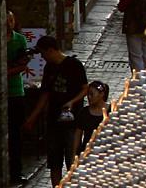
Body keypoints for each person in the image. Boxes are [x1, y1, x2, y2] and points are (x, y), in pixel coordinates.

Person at [23, 36, 88, 188]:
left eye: (43, 53)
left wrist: (72, 102)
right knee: (54, 162)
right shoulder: (49, 68)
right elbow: (45, 94)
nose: (43, 57)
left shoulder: (74, 65)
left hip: (72, 122)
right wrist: (33, 117)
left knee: (72, 160)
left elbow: (85, 88)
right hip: (53, 121)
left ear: (51, 50)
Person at [6, 13, 31, 186]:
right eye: (6, 19)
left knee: (15, 134)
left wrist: (5, 73)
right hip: (2, 92)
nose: (8, 23)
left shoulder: (20, 40)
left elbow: (23, 65)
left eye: (11, 20)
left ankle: (17, 172)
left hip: (16, 92)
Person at [74, 81, 109, 152]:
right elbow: (78, 135)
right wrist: (75, 153)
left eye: (92, 94)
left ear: (101, 94)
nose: (89, 97)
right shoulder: (84, 112)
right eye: (88, 94)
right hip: (87, 152)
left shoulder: (111, 111)